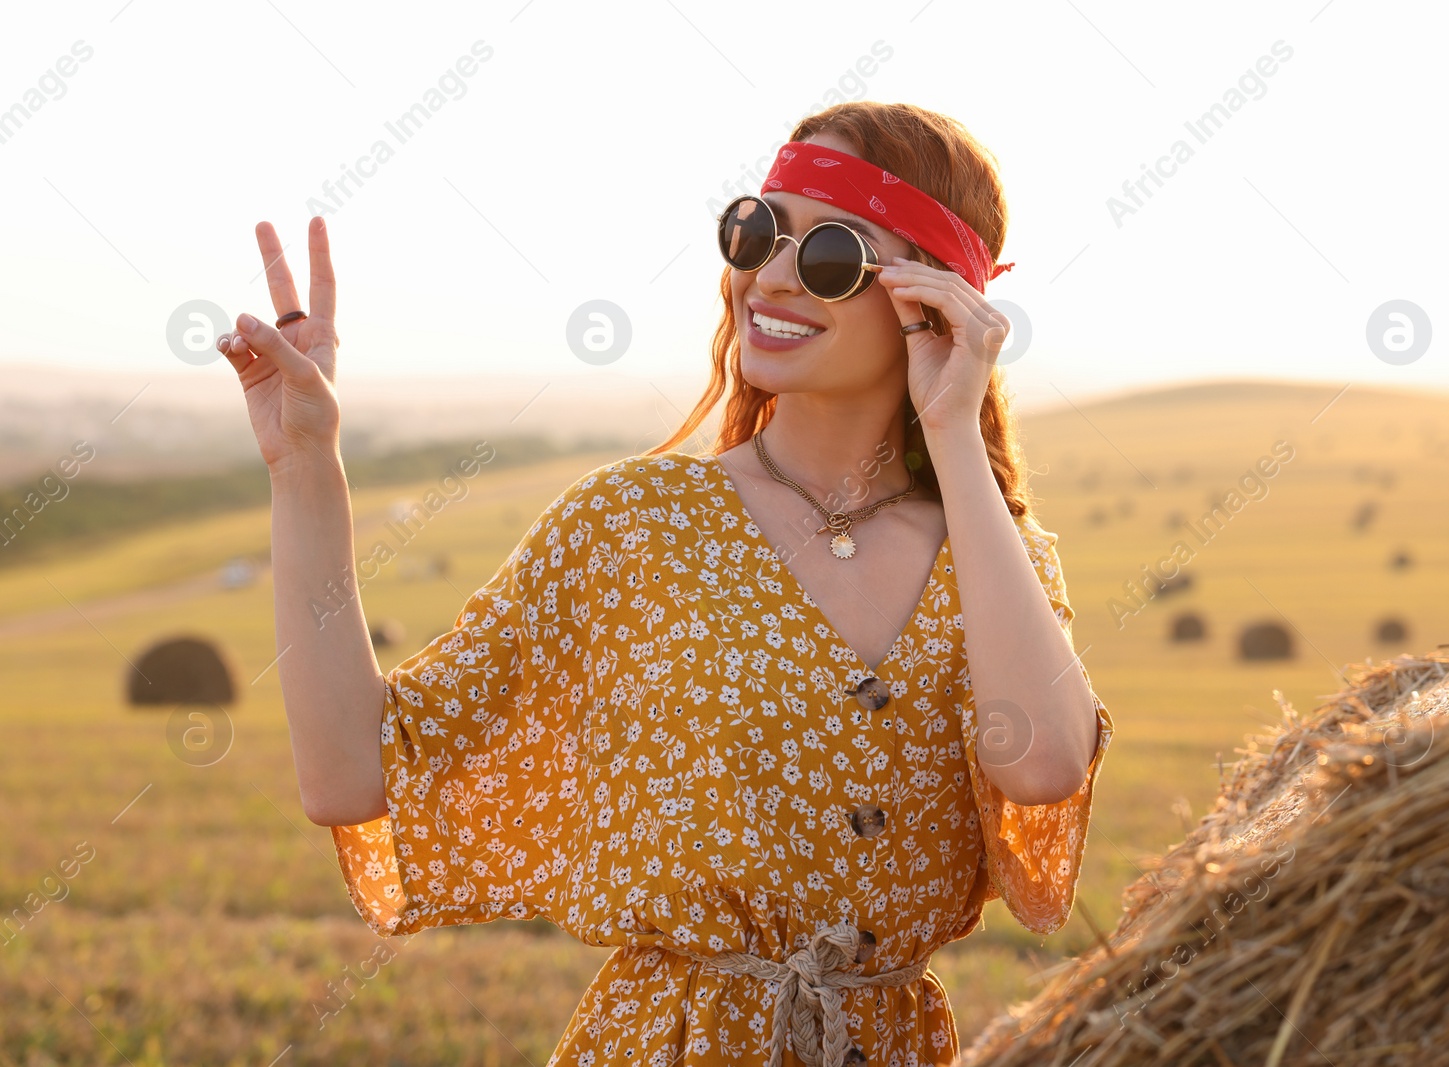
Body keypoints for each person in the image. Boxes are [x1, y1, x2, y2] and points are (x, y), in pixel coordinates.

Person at [217, 100, 1113, 1067]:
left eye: (829, 257)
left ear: (934, 300)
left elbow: (1046, 767)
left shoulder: (994, 555)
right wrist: (304, 465)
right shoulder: (629, 527)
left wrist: (954, 433)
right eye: (756, 230)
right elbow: (353, 770)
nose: (768, 276)